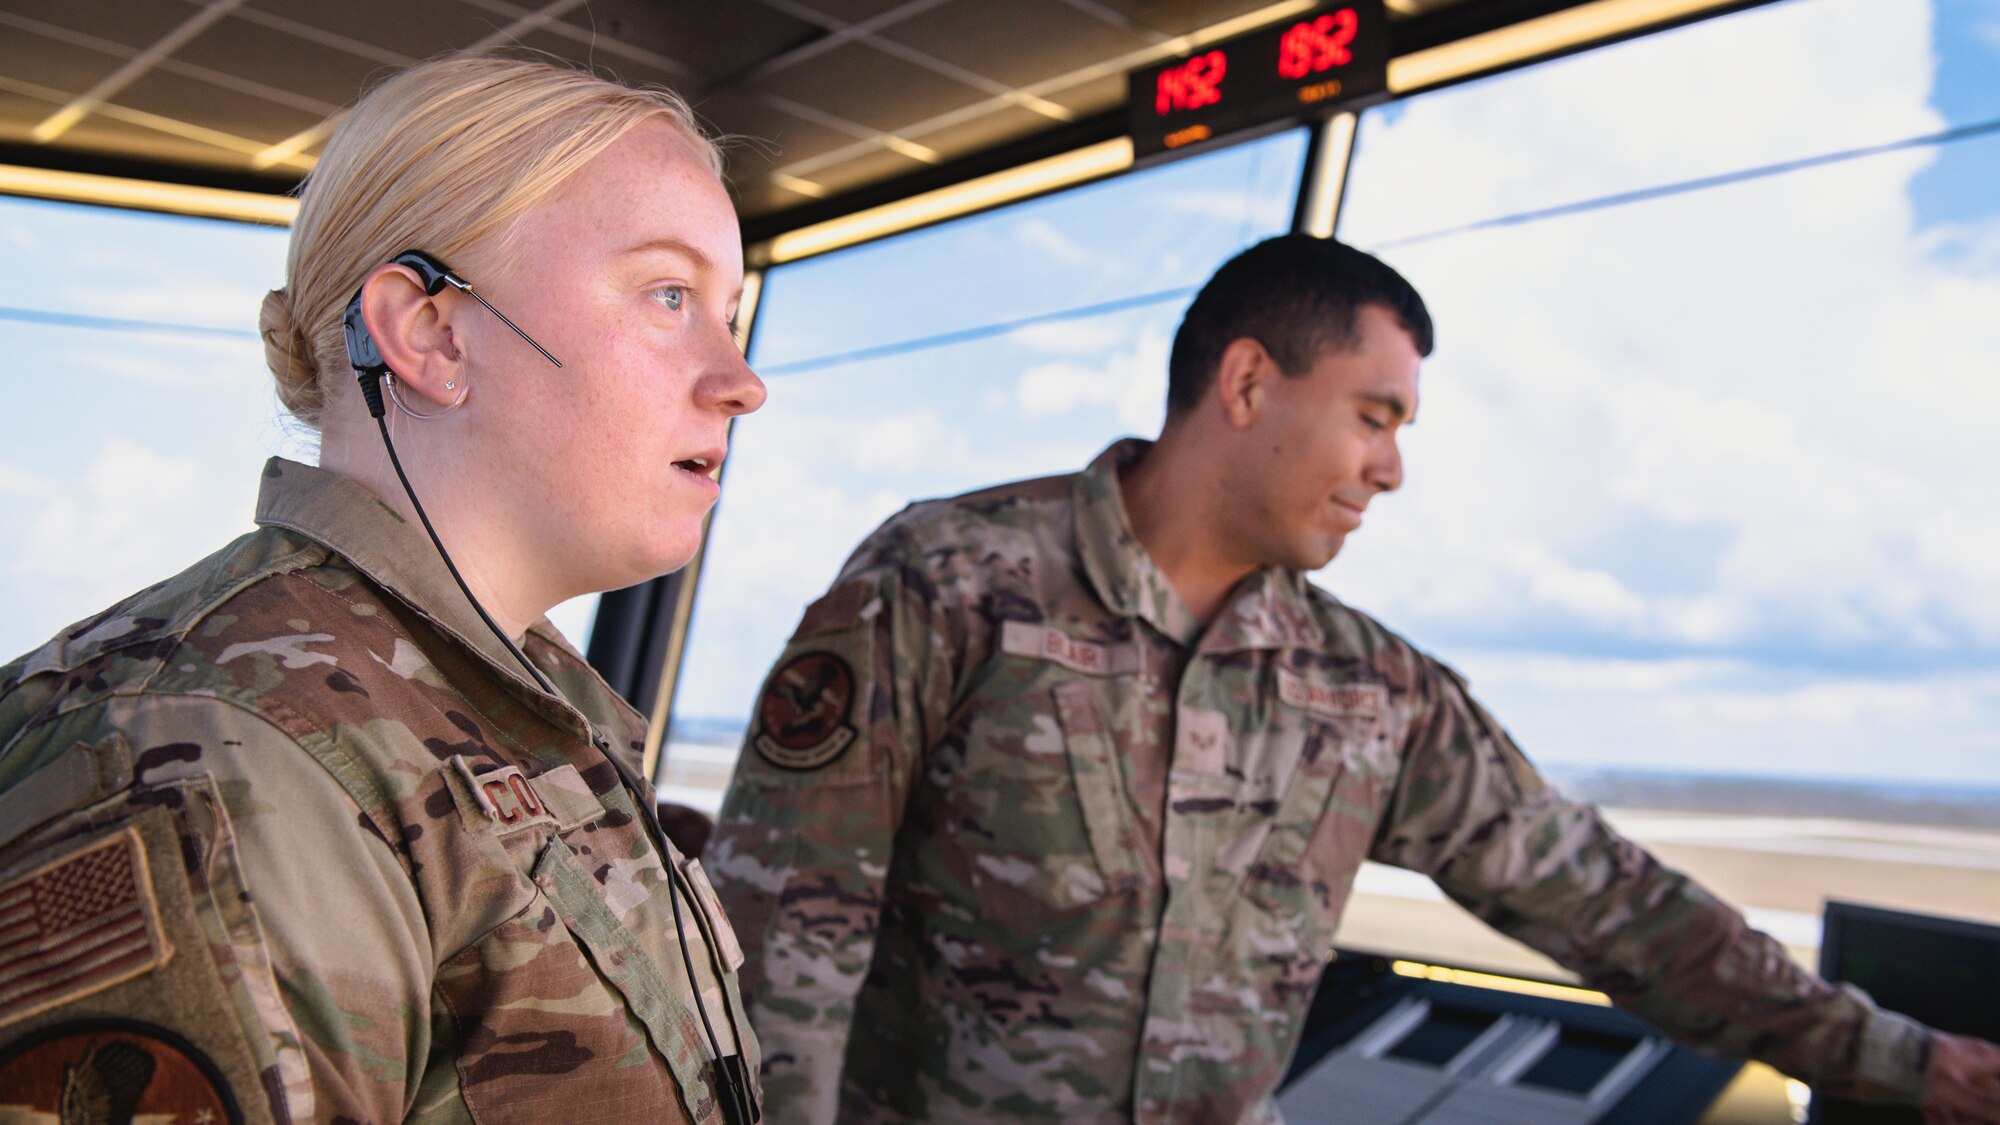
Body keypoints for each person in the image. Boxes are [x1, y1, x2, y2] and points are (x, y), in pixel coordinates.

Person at [704, 235, 2000, 1124]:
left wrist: (1905, 1063)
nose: (1392, 469)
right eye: (1375, 415)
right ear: (1251, 381)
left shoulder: (1368, 691)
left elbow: (1608, 899)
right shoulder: (947, 579)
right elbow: (788, 934)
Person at [0, 57, 766, 1125]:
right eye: (668, 294)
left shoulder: (516, 717)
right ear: (429, 332)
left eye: (729, 310)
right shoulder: (224, 754)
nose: (741, 379)